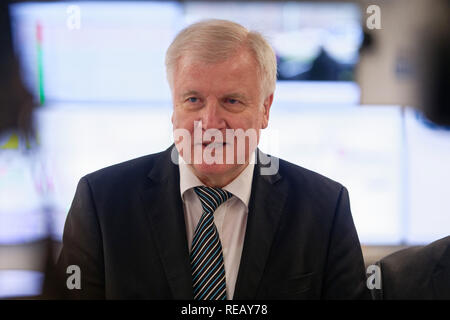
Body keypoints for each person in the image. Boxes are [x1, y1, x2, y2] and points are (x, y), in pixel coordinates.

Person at [56, 19, 370, 300]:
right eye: (193, 100)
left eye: (231, 101)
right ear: (174, 106)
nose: (210, 122)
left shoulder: (324, 208)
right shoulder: (102, 201)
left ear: (265, 109)